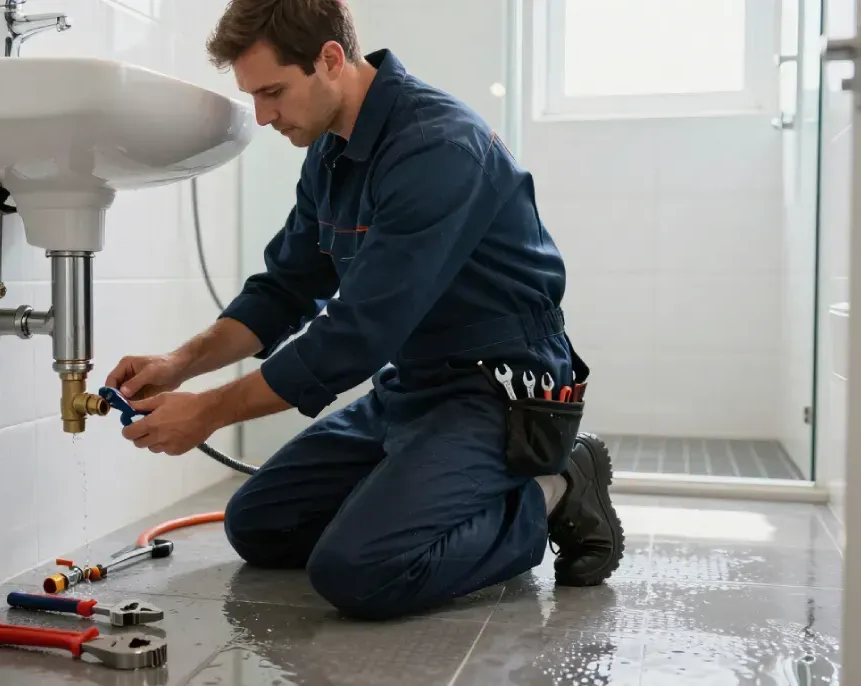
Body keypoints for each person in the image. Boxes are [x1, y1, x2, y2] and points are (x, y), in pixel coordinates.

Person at [105, 0, 624, 621]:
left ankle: (553, 489)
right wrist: (180, 364)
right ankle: (416, 491)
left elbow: (358, 333)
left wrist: (209, 412)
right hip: (414, 386)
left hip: (500, 393)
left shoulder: (440, 148)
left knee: (361, 571)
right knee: (260, 524)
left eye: (273, 92)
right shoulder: (330, 152)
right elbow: (285, 289)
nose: (263, 116)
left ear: (330, 59)